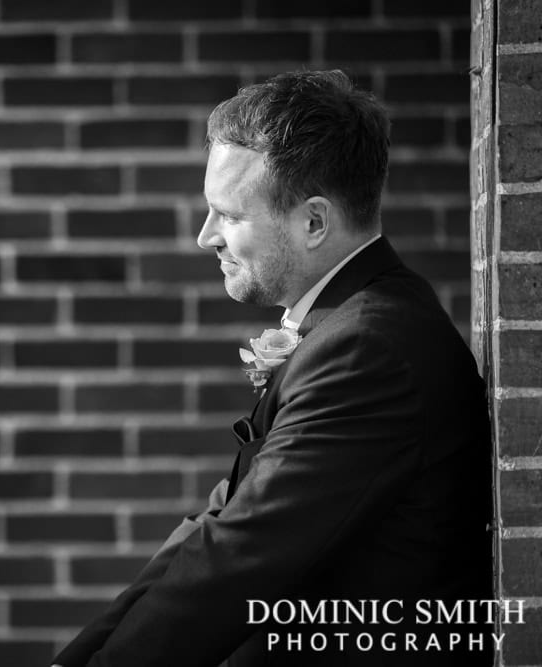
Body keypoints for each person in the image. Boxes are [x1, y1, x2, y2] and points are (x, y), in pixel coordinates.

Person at [52, 70, 493, 666]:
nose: (204, 236)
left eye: (228, 215)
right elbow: (214, 526)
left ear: (314, 222)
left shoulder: (369, 347)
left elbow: (240, 558)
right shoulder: (347, 327)